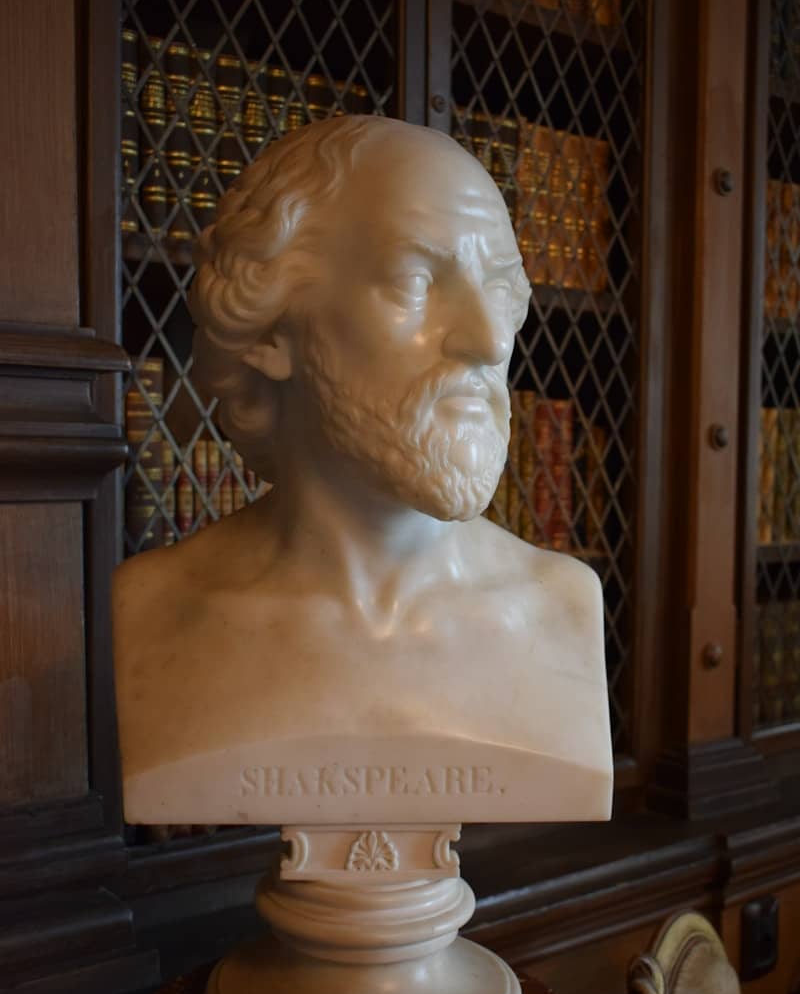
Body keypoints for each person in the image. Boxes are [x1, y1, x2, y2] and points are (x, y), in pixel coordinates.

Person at [113, 116, 612, 824]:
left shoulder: (564, 610)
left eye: (501, 287)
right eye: (415, 278)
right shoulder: (159, 611)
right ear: (275, 330)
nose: (489, 339)